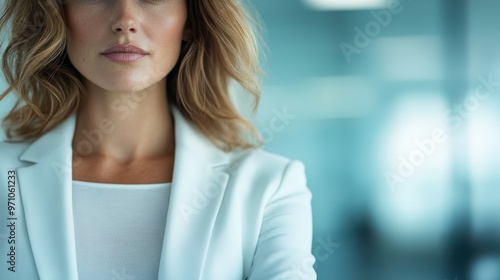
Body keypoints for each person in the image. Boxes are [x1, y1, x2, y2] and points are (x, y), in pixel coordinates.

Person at [0, 0, 316, 279]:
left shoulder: (271, 186)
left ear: (189, 20)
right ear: (59, 13)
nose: (125, 19)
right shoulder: (6, 179)